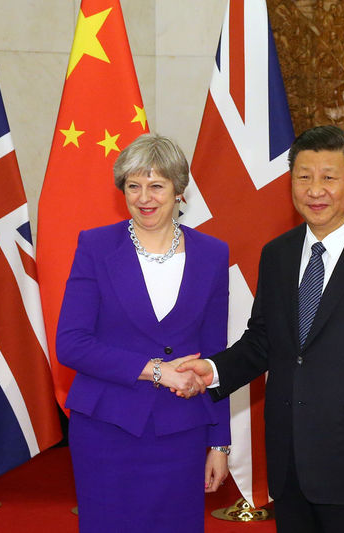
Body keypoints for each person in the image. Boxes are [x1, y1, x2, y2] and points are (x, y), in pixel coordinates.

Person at [178, 125, 344, 533]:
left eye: (328, 177)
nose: (315, 189)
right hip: (290, 462)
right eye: (304, 177)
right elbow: (265, 340)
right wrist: (212, 371)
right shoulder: (277, 254)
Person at [56, 133, 231, 533]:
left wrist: (220, 443)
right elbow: (71, 343)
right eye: (133, 186)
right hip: (107, 427)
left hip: (181, 432)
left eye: (156, 185)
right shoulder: (96, 246)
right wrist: (156, 370)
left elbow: (215, 354)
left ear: (178, 190)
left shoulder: (213, 253)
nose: (144, 197)